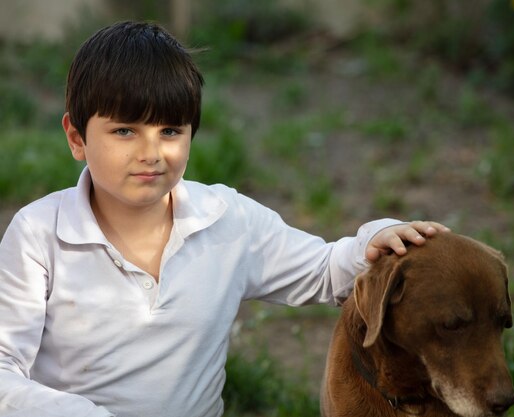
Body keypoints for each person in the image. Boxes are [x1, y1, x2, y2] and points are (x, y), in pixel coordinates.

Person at [0, 21, 449, 417]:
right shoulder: (38, 235)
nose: (151, 153)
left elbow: (325, 270)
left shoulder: (226, 221)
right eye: (124, 131)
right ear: (76, 138)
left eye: (170, 131)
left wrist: (375, 238)